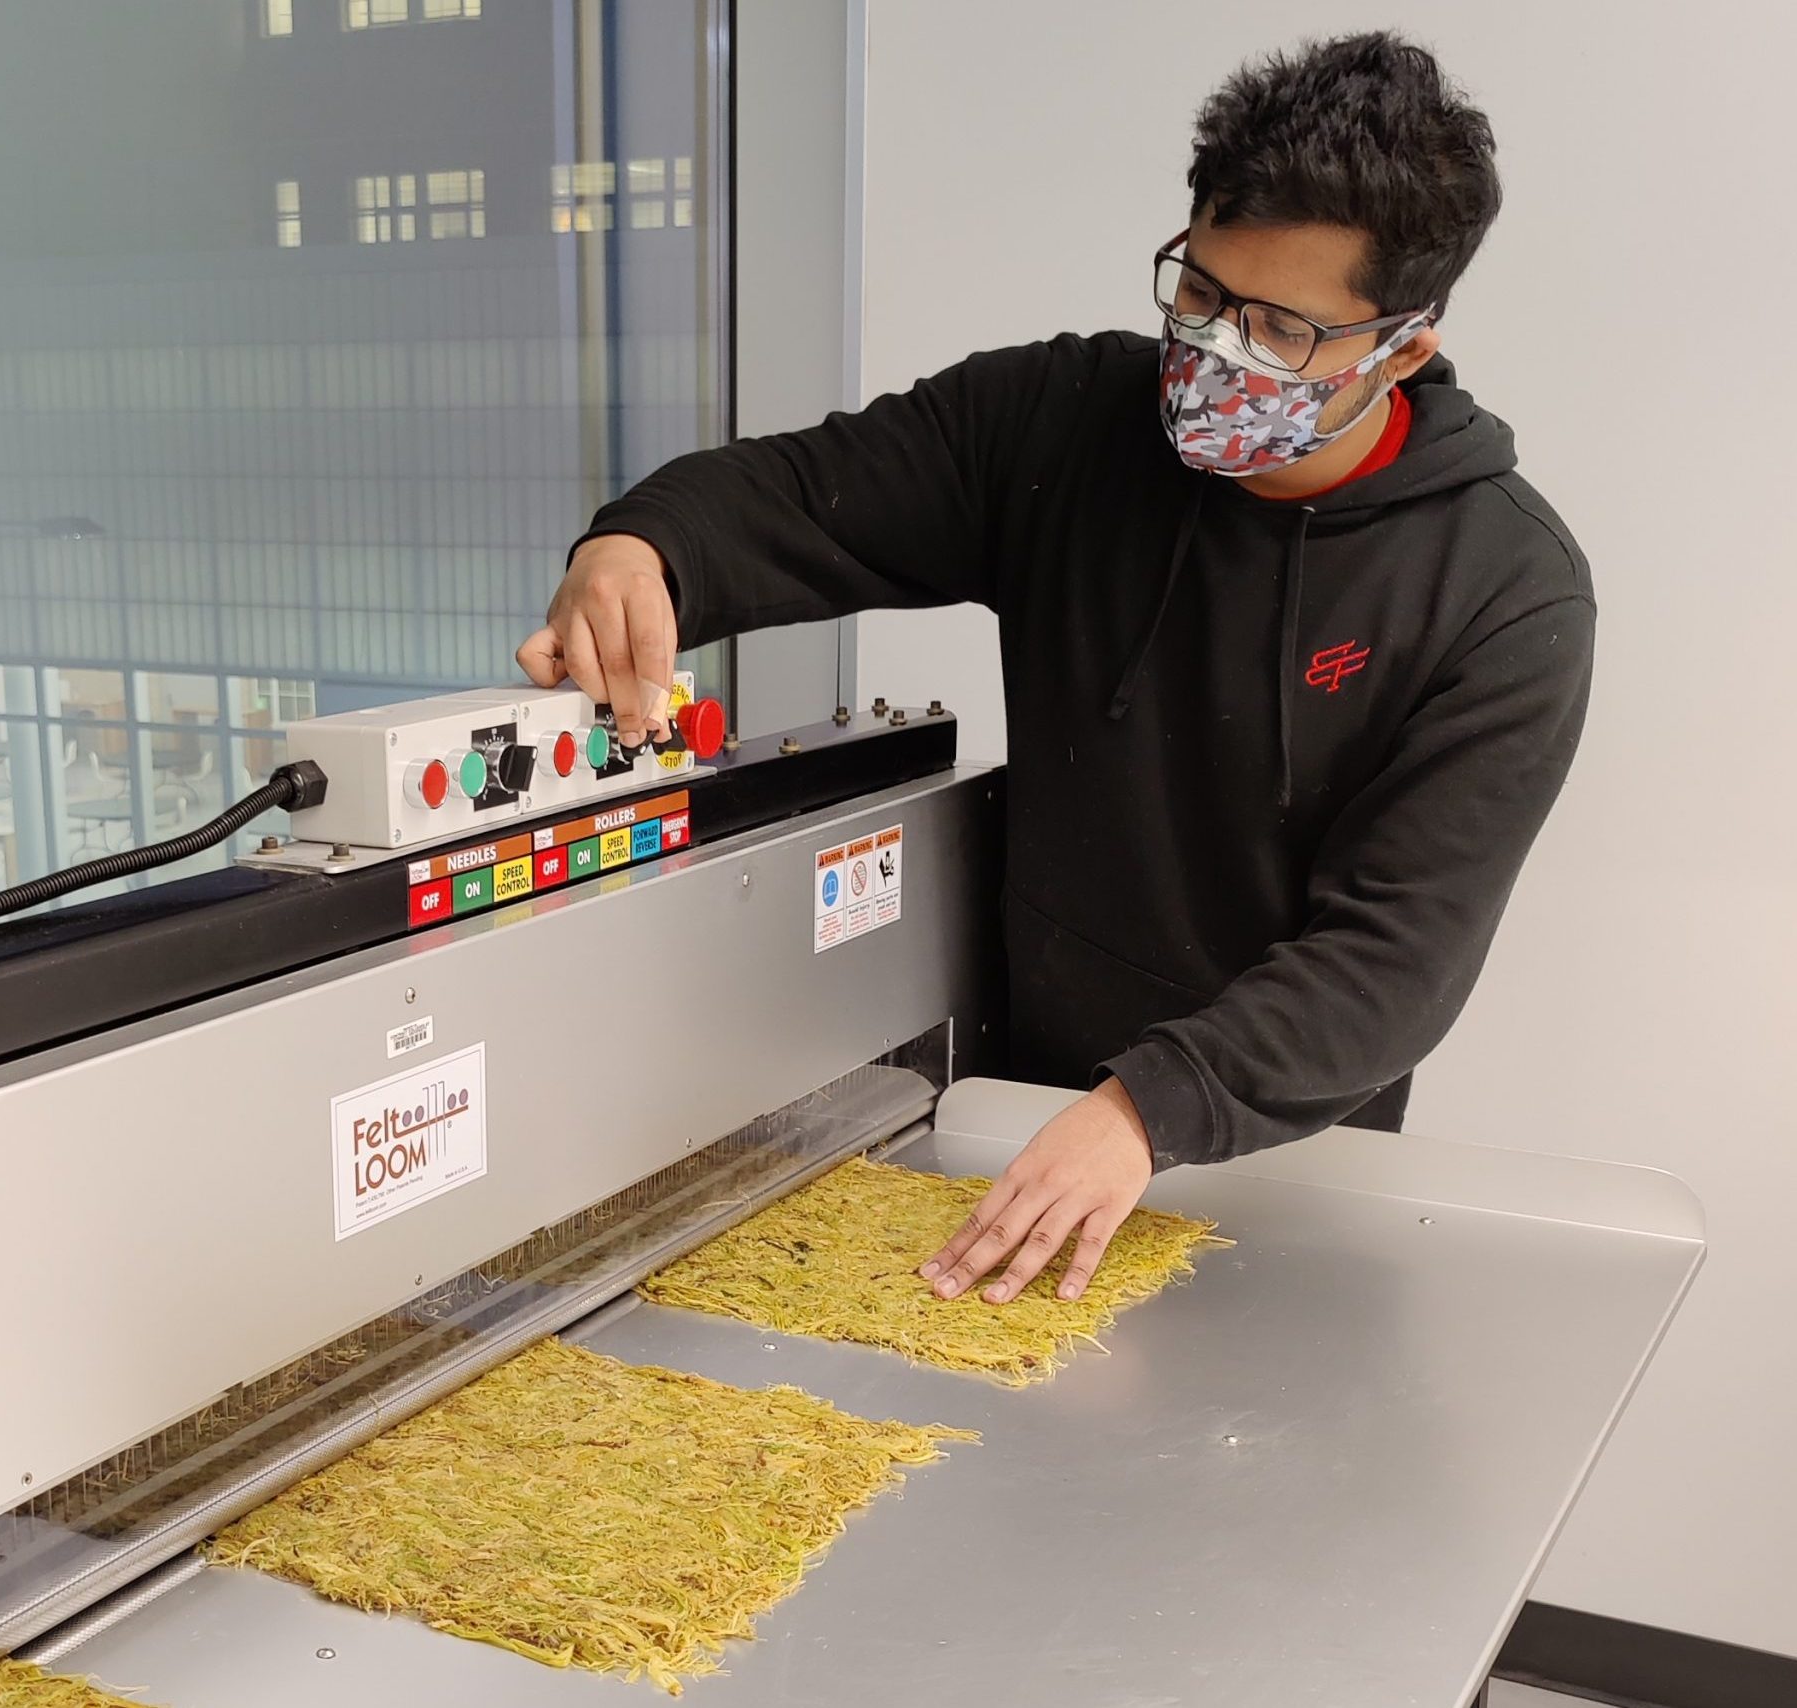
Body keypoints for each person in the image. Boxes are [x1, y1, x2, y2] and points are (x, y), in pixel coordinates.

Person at [519, 34, 1591, 1306]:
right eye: (1198, 294)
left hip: (1276, 1167)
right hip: (1009, 1115)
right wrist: (644, 547)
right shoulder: (1063, 421)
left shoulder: (1503, 592)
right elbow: (807, 492)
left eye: (1276, 328)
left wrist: (1144, 1112)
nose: (1213, 353)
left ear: (1400, 349)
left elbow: (1394, 955)